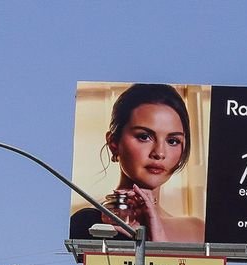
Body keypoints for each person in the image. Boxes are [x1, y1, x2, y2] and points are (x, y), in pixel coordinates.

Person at [70, 83, 205, 244]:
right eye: (144, 137)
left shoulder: (197, 231)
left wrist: (158, 240)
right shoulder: (88, 224)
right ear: (114, 143)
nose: (159, 153)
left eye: (173, 141)